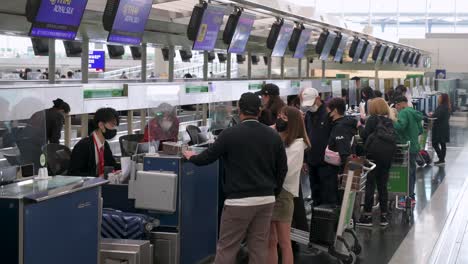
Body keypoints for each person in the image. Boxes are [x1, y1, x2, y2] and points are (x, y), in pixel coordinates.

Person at [183, 92, 288, 264]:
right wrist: (273, 192)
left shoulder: (230, 134)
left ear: (239, 110)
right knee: (259, 248)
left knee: (227, 247)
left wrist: (191, 156)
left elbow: (207, 158)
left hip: (238, 202)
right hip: (265, 200)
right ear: (259, 111)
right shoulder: (273, 135)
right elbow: (282, 168)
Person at [268, 106, 310, 264]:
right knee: (271, 241)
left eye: (284, 118)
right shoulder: (282, 140)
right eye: (279, 116)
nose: (279, 120)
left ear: (292, 123)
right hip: (274, 193)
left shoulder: (297, 145)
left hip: (283, 194)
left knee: (284, 242)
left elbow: (285, 170)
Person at [357, 98, 397, 227]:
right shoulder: (389, 120)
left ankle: (367, 216)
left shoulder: (372, 120)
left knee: (370, 185)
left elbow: (364, 136)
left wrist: (359, 126)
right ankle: (383, 216)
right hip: (386, 158)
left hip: (373, 157)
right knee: (382, 186)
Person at [322, 98, 357, 205]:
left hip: (337, 170)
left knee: (338, 200)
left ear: (335, 111)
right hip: (341, 168)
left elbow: (344, 151)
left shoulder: (340, 128)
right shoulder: (347, 123)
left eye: (328, 111)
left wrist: (342, 173)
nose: (327, 113)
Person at [301, 88, 331, 206]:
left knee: (327, 194)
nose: (310, 106)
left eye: (312, 103)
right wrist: (304, 160)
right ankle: (316, 220)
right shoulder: (308, 115)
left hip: (326, 163)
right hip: (312, 161)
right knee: (315, 193)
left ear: (318, 99)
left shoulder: (328, 114)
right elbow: (306, 137)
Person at [69, 108, 120, 177]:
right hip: (87, 186)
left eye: (116, 125)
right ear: (101, 125)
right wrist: (97, 176)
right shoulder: (83, 146)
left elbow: (111, 165)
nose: (114, 129)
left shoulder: (105, 144)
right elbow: (74, 173)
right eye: (112, 125)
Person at [393, 96, 423, 203]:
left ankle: (406, 197)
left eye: (396, 106)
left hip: (406, 147)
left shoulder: (404, 112)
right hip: (414, 146)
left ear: (400, 104)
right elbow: (420, 130)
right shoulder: (414, 112)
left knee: (407, 173)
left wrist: (393, 120)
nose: (396, 108)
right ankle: (411, 195)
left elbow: (400, 127)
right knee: (412, 171)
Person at [431, 93, 451, 166]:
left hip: (440, 128)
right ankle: (441, 159)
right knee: (442, 144)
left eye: (439, 97)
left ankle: (441, 159)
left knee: (435, 143)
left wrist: (431, 115)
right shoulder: (446, 106)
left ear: (443, 99)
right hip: (443, 128)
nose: (438, 99)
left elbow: (436, 116)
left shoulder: (442, 107)